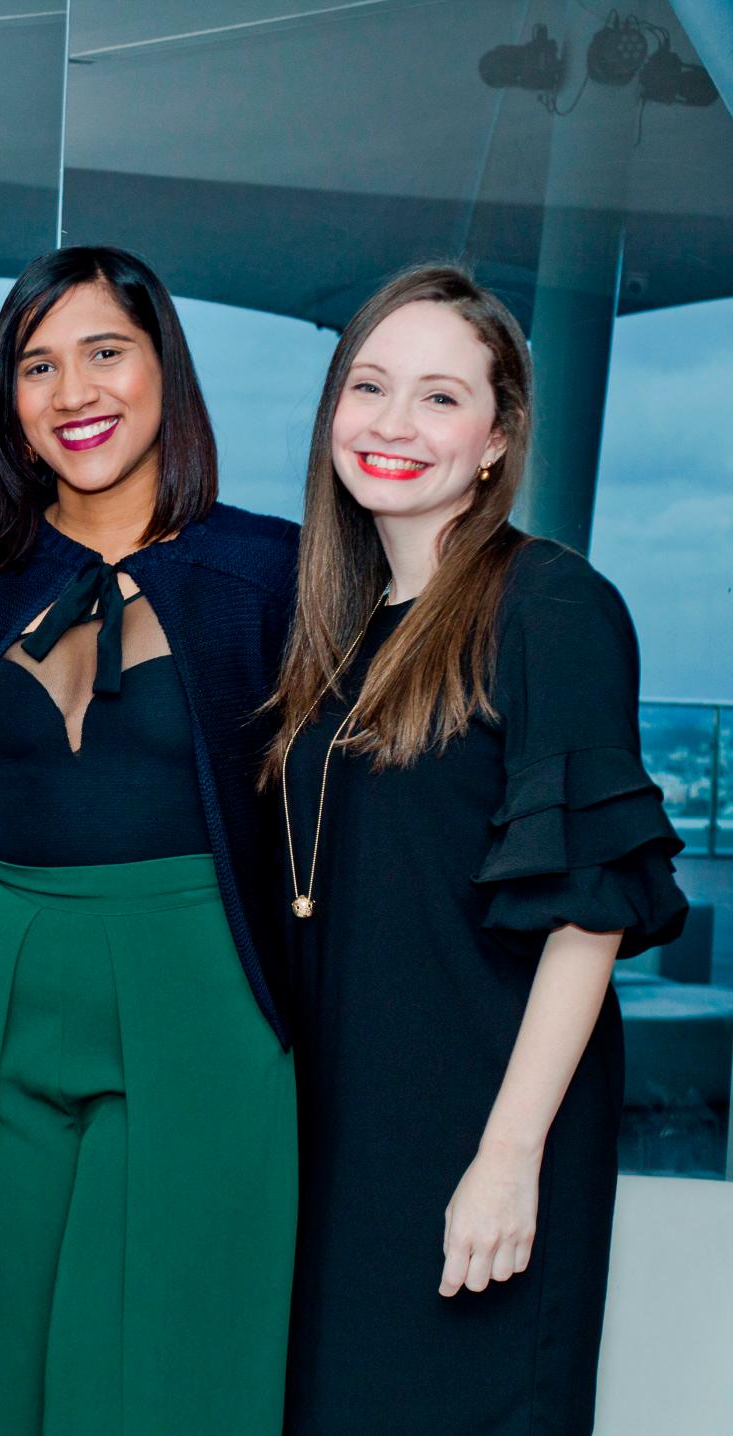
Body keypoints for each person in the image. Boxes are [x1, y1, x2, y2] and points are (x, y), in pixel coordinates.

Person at [0, 246, 300, 1435]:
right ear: (8, 405)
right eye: (36, 365)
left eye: (103, 352)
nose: (72, 390)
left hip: (200, 985)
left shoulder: (267, 572)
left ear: (163, 367)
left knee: (168, 1343)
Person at [269, 265, 686, 1434]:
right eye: (370, 386)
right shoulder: (339, 632)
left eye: (440, 398)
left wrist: (506, 1159)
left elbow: (588, 910)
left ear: (497, 437)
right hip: (350, 1140)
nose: (393, 424)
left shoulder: (547, 603)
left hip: (478, 1133)